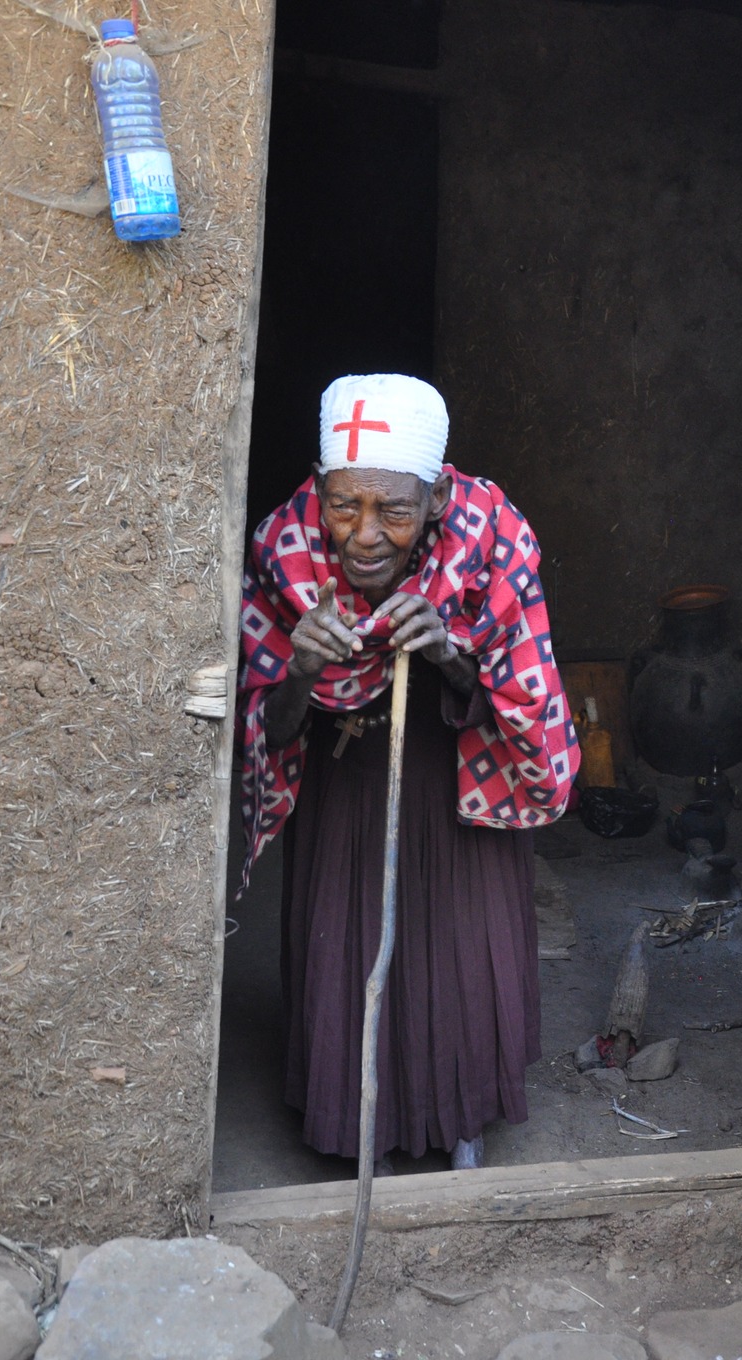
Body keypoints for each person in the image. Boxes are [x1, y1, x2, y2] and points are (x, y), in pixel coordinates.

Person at [236, 373, 578, 1172]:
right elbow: (265, 732)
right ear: (320, 489)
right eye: (344, 505)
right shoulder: (282, 550)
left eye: (392, 511)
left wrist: (450, 655)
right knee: (350, 955)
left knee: (457, 957)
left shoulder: (490, 539)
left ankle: (461, 1121)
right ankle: (362, 1133)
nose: (362, 534)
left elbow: (522, 704)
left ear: (433, 500)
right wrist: (298, 671)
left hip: (457, 782)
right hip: (345, 789)